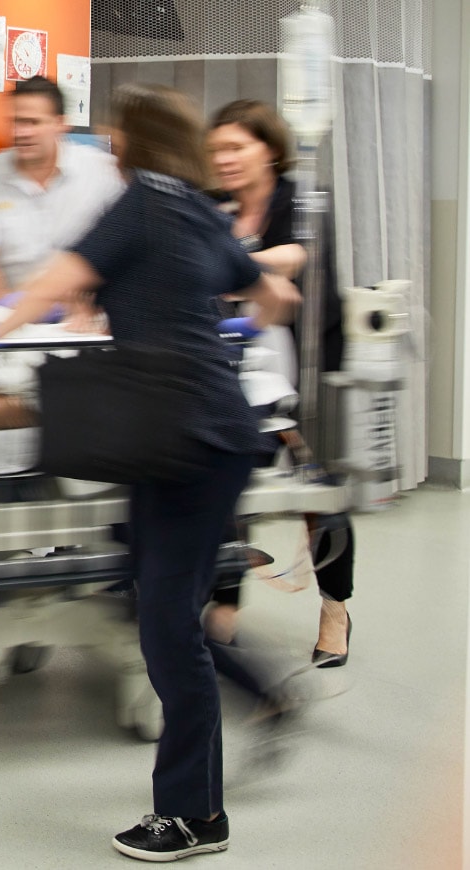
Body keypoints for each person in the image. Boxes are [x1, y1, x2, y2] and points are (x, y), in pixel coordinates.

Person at [0, 83, 298, 862]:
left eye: (115, 136)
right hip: (193, 436)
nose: (109, 146)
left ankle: (191, 816)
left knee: (166, 626)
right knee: (151, 605)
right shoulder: (188, 204)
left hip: (190, 439)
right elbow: (273, 294)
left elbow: (59, 279)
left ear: (132, 144)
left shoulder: (143, 200)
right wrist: (205, 327)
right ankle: (229, 756)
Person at [205, 100, 354, 668]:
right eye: (216, 149)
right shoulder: (212, 204)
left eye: (236, 147)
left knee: (319, 496)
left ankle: (334, 608)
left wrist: (229, 266)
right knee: (224, 479)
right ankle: (224, 603)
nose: (224, 159)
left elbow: (295, 256)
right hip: (233, 358)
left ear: (268, 148)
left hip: (308, 360)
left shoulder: (301, 199)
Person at [0, 76, 125, 307]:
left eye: (33, 122)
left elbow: (128, 251)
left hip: (84, 321)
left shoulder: (102, 172)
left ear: (61, 123)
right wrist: (10, 312)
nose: (21, 132)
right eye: (16, 122)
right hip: (14, 315)